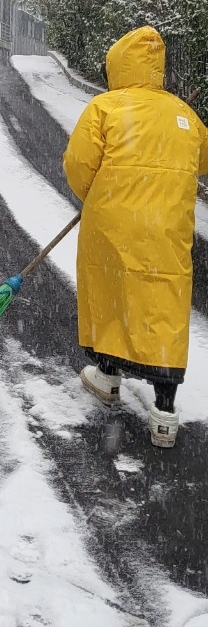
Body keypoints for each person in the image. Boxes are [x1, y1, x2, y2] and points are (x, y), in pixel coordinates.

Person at [63, 25, 208, 448]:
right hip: (167, 230)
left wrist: (101, 194)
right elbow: (202, 162)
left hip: (111, 224)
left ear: (117, 65)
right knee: (163, 301)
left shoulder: (105, 108)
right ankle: (164, 410)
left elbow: (78, 166)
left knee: (111, 292)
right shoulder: (185, 115)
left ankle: (108, 375)